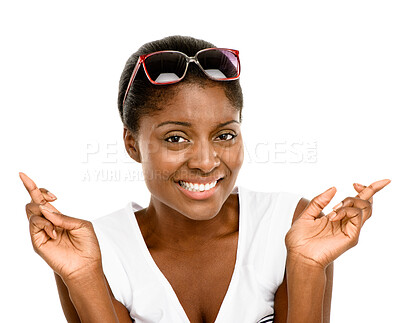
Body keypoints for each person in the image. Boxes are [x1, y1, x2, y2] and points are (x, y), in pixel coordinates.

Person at [20, 35, 390, 323]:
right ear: (132, 144)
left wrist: (308, 266)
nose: (206, 161)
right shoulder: (92, 251)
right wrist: (84, 277)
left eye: (225, 135)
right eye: (176, 138)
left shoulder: (290, 226)